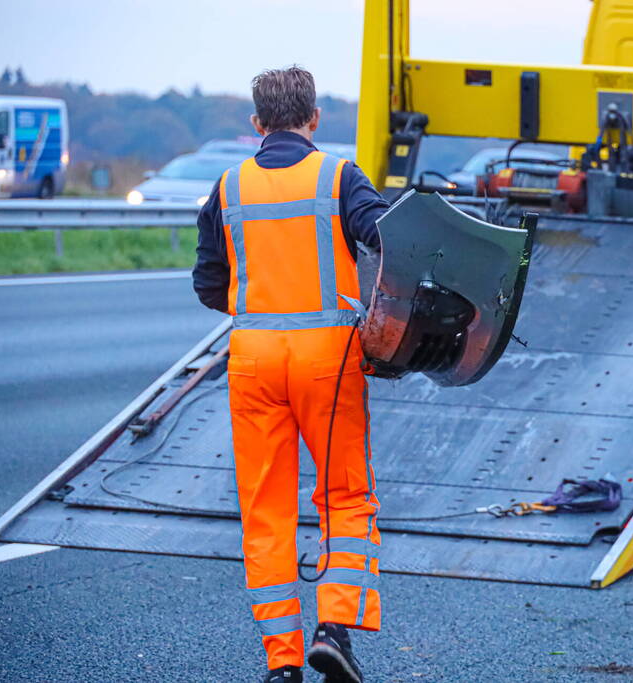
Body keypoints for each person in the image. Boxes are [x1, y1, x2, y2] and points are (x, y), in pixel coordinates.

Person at [193, 65, 388, 683]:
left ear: (257, 124)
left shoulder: (227, 187)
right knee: (344, 496)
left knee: (265, 509)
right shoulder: (338, 176)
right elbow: (387, 240)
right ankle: (333, 629)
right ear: (314, 120)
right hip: (328, 362)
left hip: (252, 360)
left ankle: (281, 663)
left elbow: (207, 283)